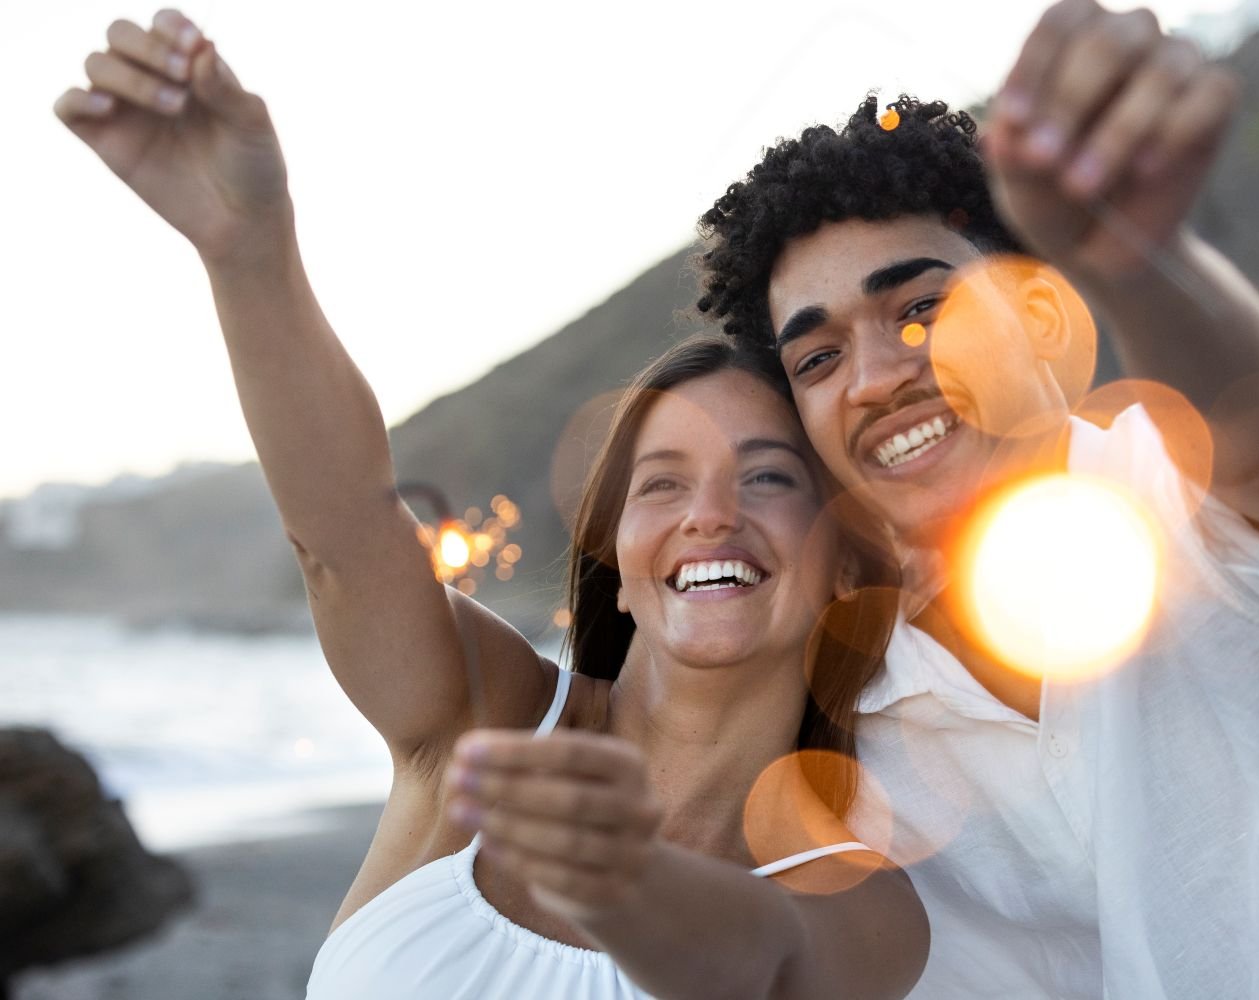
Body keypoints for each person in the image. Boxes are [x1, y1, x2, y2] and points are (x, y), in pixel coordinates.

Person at [55, 11, 930, 999]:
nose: (709, 514)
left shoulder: (861, 902)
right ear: (619, 562)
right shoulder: (488, 719)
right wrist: (247, 249)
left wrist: (620, 874)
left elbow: (753, 957)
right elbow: (342, 532)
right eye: (662, 482)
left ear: (847, 565)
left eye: (768, 475)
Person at [695, 1, 1259, 997]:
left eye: (920, 310)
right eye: (817, 357)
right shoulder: (860, 732)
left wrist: (1133, 257)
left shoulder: (1184, 497)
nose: (872, 377)